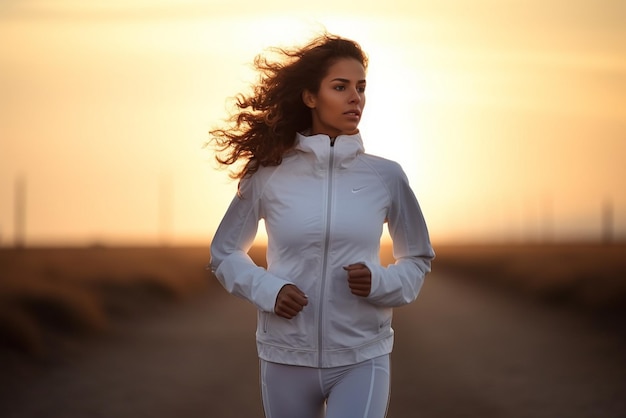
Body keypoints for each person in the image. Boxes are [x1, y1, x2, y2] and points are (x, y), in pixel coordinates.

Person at [208, 33, 434, 418]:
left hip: (362, 354)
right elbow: (224, 253)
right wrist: (269, 290)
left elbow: (417, 257)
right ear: (311, 97)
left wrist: (380, 283)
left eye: (361, 88)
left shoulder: (386, 176)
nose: (355, 98)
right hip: (285, 355)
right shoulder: (267, 173)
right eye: (340, 87)